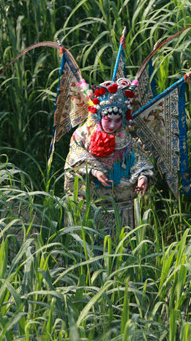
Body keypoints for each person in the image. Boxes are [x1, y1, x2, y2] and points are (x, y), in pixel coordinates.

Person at [64, 78, 154, 236]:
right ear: (99, 116)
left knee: (122, 241)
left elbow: (139, 159)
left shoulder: (125, 137)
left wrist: (142, 176)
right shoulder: (84, 133)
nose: (112, 125)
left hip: (121, 202)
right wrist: (94, 170)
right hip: (90, 199)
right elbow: (75, 155)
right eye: (108, 120)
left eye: (117, 121)